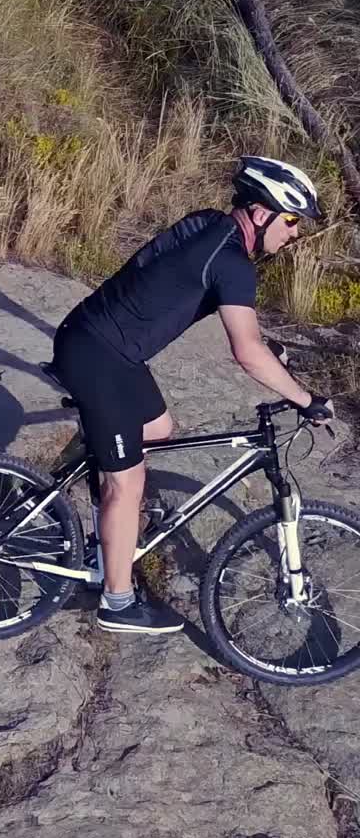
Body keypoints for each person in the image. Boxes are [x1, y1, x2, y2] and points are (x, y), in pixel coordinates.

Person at [50, 155, 336, 635]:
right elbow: (245, 352)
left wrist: (273, 350)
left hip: (106, 347)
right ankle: (116, 602)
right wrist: (307, 400)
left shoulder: (211, 228)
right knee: (129, 482)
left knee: (158, 430)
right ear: (261, 213)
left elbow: (183, 292)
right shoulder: (231, 262)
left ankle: (105, 499)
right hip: (98, 356)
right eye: (290, 221)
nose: (294, 235)